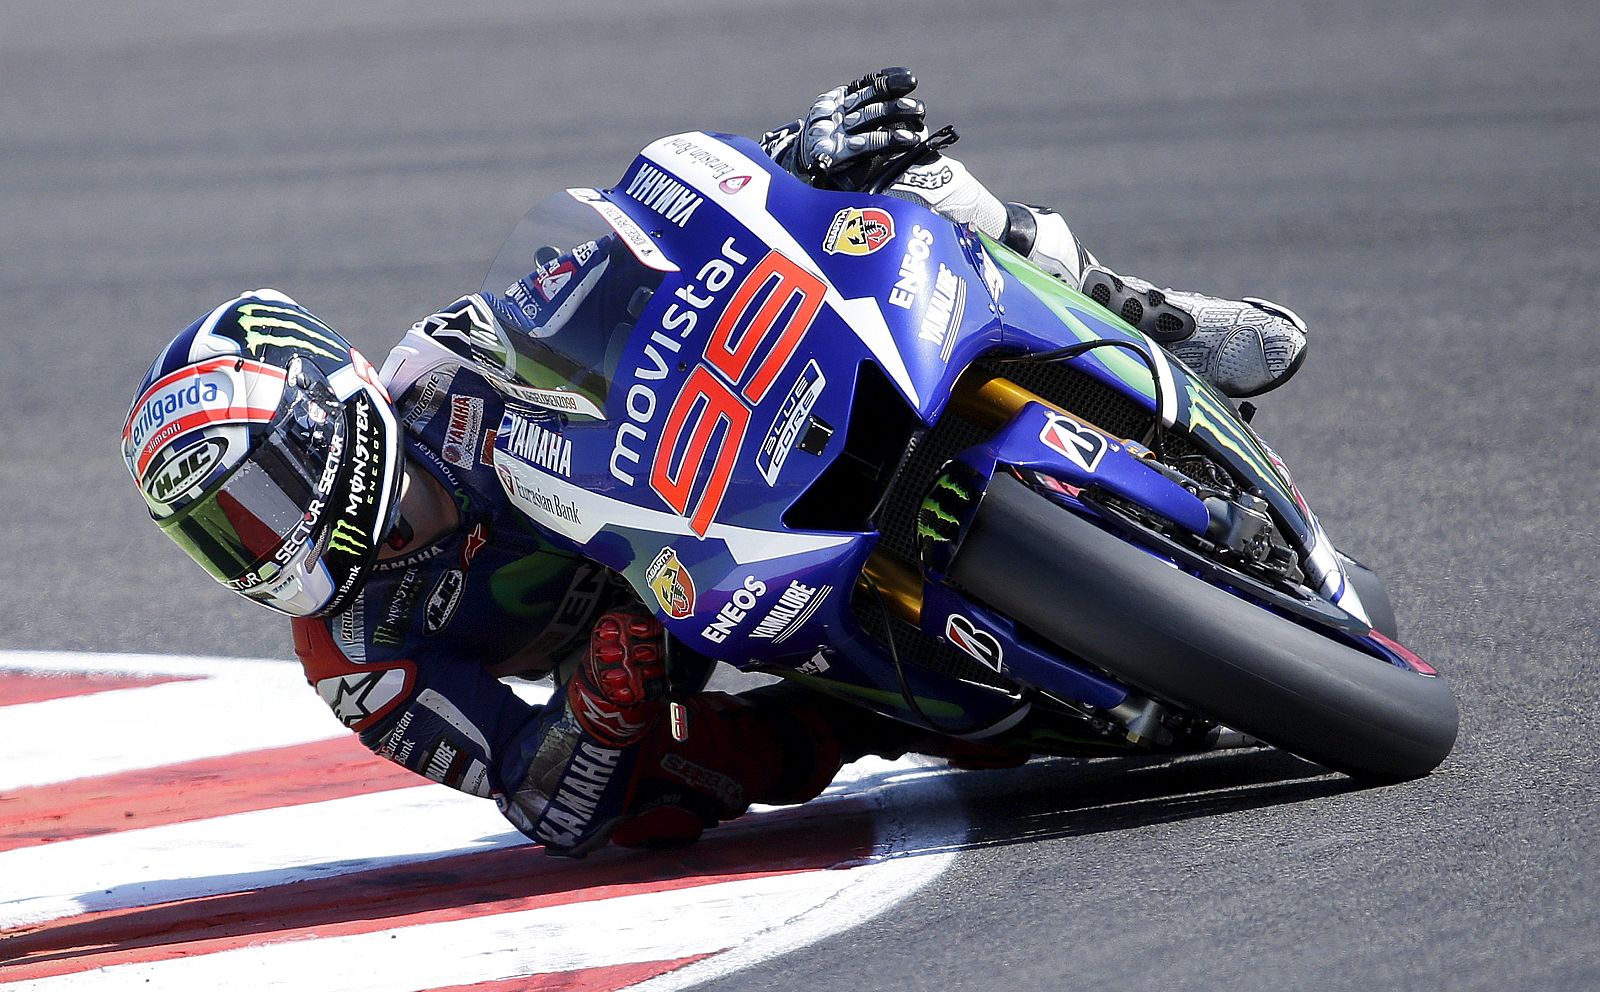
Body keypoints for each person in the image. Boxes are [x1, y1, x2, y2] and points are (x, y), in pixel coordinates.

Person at [120, 70, 1307, 857]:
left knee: (901, 184)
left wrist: (792, 158)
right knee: (675, 797)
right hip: (669, 626)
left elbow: (642, 251)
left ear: (326, 416)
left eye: (253, 498)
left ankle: (1137, 313)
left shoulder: (450, 364)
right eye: (218, 534)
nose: (254, 543)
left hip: (714, 473)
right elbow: (541, 800)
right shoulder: (353, 654)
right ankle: (918, 717)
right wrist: (597, 711)